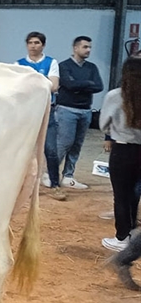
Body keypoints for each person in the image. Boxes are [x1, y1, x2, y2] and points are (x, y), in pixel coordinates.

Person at [99, 56, 141, 252]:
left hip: (123, 150)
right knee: (134, 194)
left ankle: (121, 237)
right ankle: (132, 232)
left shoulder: (115, 95)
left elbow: (103, 124)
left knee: (121, 196)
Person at [54, 36, 103, 196]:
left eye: (89, 47)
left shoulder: (92, 67)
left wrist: (80, 85)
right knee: (64, 143)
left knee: (77, 145)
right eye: (85, 47)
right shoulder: (64, 66)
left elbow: (99, 86)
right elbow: (69, 84)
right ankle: (50, 174)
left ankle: (68, 176)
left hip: (85, 111)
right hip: (66, 109)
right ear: (75, 48)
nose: (88, 50)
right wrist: (87, 84)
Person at [16, 32, 60, 195]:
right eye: (30, 43)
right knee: (22, 150)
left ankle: (55, 184)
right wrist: (43, 81)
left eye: (37, 43)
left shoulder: (51, 62)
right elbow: (18, 88)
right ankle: (19, 185)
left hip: (47, 112)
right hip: (26, 113)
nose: (33, 46)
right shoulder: (18, 64)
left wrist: (31, 83)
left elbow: (54, 86)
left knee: (51, 150)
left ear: (43, 45)